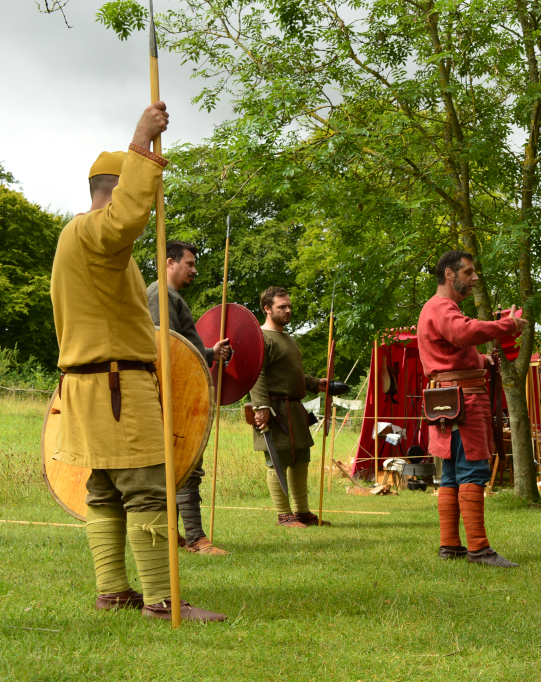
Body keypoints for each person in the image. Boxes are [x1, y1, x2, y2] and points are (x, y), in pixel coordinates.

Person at [49, 102, 224, 621]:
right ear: (117, 188)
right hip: (113, 385)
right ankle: (160, 600)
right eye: (139, 188)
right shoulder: (93, 234)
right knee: (149, 484)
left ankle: (113, 590)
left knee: (105, 487)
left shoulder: (85, 243)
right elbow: (125, 216)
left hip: (93, 386)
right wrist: (141, 142)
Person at [417, 250, 526, 567]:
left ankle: (450, 546)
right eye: (468, 273)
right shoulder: (442, 307)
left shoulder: (436, 308)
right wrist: (506, 326)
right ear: (449, 275)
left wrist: (482, 360)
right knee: (473, 471)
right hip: (463, 399)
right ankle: (479, 549)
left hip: (447, 398)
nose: (475, 278)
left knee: (451, 474)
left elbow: (449, 355)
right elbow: (462, 333)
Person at [147, 240, 231, 556]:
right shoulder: (161, 295)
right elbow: (163, 349)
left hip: (180, 391)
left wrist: (210, 353)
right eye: (190, 263)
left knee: (179, 464)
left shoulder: (170, 296)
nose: (195, 270)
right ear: (170, 262)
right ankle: (195, 539)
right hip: (172, 394)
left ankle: (175, 535)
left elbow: (183, 347)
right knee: (185, 464)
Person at [250, 287, 331, 529]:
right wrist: (261, 406)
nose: (288, 310)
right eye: (282, 307)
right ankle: (284, 515)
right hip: (274, 410)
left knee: (300, 459)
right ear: (267, 308)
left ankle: (302, 512)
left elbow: (292, 376)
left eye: (289, 306)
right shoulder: (261, 338)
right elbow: (257, 375)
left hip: (294, 409)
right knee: (277, 460)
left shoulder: (289, 339)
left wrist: (316, 384)